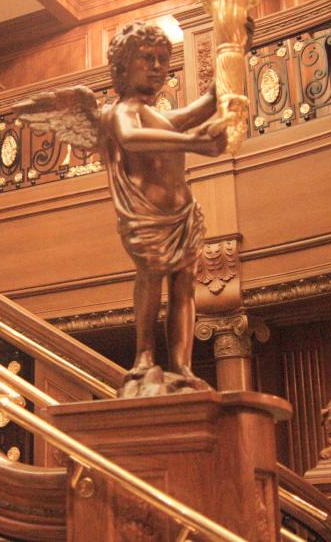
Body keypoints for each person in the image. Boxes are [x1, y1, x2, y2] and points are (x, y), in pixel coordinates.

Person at [101, 21, 229, 396]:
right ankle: (144, 357)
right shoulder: (121, 111)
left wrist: (233, 48)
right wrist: (192, 143)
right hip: (148, 218)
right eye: (147, 59)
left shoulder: (157, 115)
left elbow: (202, 107)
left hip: (183, 216)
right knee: (151, 278)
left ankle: (183, 365)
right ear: (125, 66)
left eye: (162, 59)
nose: (158, 67)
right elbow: (130, 137)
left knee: (185, 287)